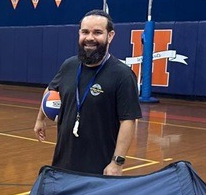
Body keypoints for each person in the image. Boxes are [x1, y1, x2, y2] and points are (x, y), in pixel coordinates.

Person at [34, 9, 141, 175]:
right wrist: (40, 119)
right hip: (63, 162)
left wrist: (117, 163)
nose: (90, 38)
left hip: (99, 168)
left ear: (110, 36)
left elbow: (128, 121)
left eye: (97, 32)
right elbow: (51, 89)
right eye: (85, 32)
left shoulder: (123, 75)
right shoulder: (69, 65)